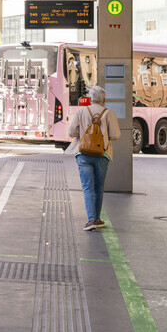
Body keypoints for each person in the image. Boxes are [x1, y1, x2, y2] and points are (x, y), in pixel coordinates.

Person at [67, 86, 121, 231]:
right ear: (103, 99)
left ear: (90, 98)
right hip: (102, 154)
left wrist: (83, 134)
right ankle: (96, 219)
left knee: (87, 188)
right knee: (99, 188)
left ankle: (91, 220)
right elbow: (116, 135)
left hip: (83, 154)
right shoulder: (108, 113)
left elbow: (71, 131)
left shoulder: (81, 112)